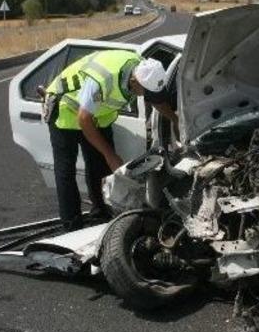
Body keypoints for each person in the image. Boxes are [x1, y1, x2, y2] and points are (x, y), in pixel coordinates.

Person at [43, 50, 176, 232]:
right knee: (66, 170)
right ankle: (72, 225)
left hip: (96, 115)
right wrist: (110, 154)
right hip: (66, 110)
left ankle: (101, 213)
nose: (146, 97)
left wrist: (176, 120)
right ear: (134, 81)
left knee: (99, 166)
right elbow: (84, 119)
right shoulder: (102, 79)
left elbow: (156, 99)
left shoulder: (144, 69)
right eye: (145, 92)